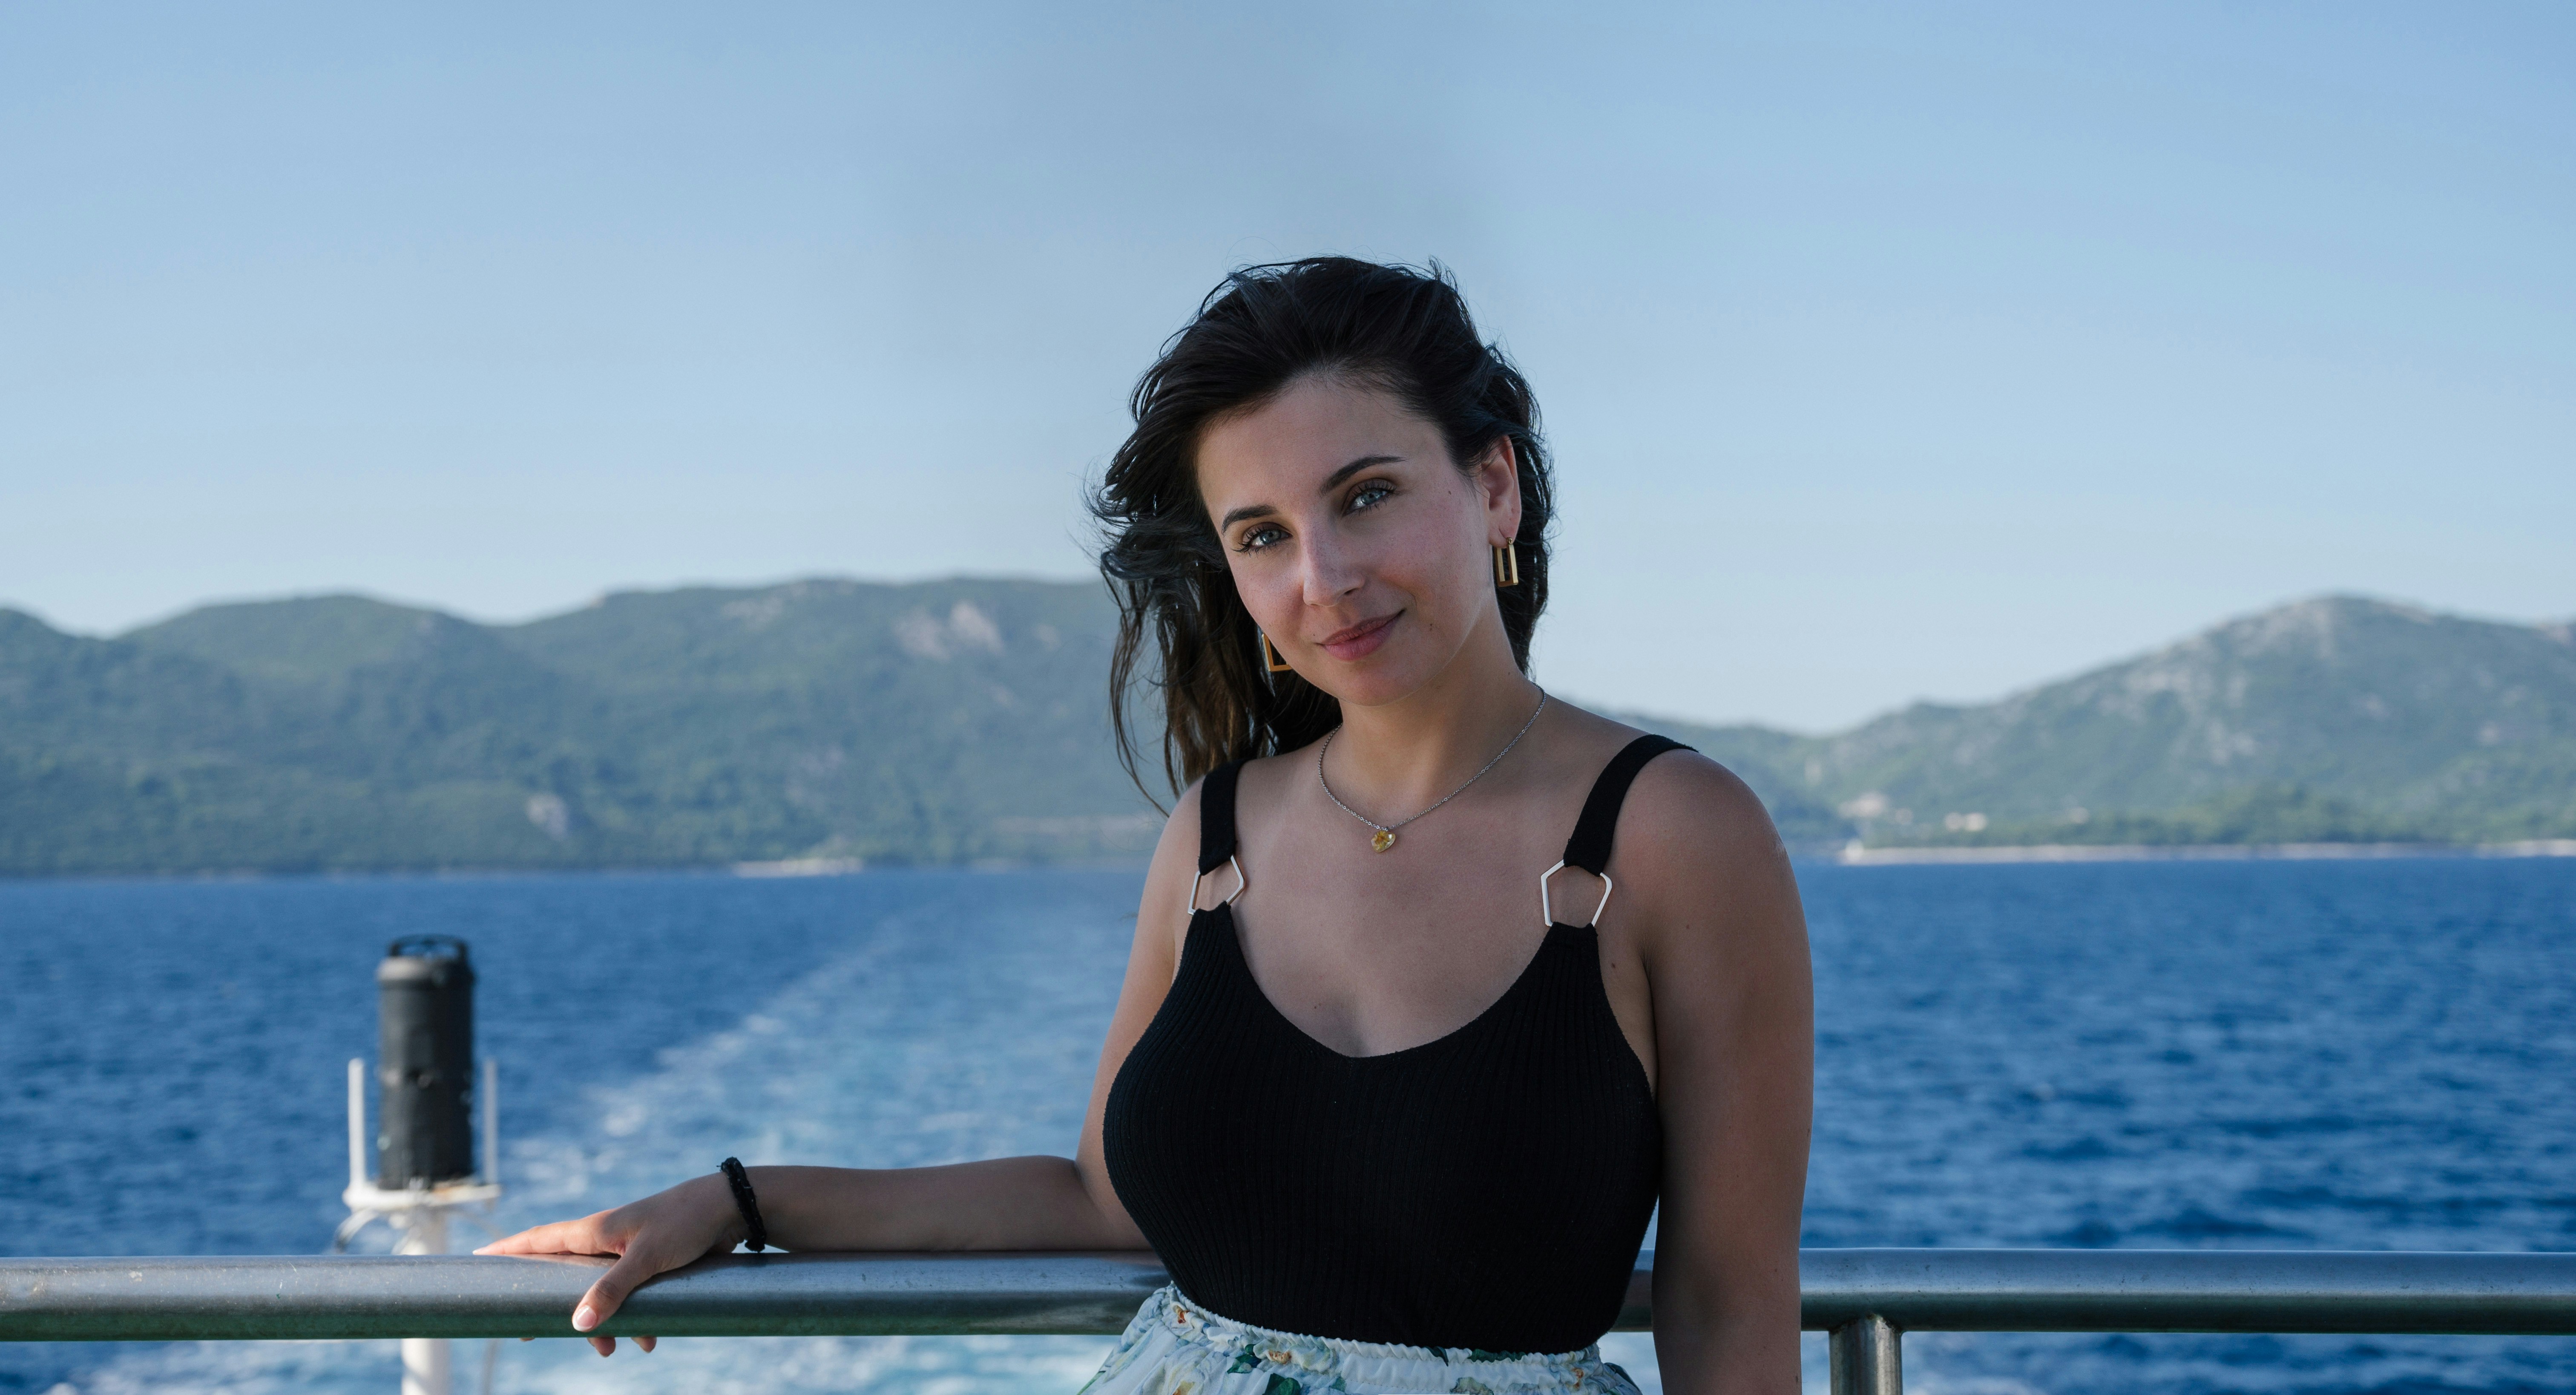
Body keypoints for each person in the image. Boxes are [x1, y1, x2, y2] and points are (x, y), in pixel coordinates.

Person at [478, 257, 1814, 1395]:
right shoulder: (1216, 837)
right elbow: (1099, 1198)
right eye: (1261, 535)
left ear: (1495, 487)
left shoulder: (1674, 836)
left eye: (1365, 496)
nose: (1324, 578)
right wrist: (747, 1200)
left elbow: (1729, 1303)